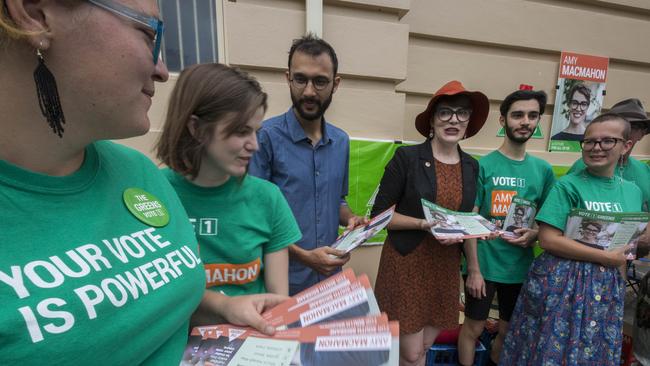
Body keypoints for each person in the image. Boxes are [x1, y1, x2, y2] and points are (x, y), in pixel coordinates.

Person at [0, 2, 283, 364]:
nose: (163, 70)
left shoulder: (138, 172)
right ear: (35, 13)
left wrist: (223, 306)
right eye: (150, 34)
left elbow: (166, 299)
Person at [500, 113, 644, 365]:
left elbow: (622, 246)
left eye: (607, 141)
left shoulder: (632, 192)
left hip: (605, 287)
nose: (596, 148)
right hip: (562, 284)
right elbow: (548, 239)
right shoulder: (567, 185)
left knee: (592, 351)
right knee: (549, 351)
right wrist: (605, 257)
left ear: (626, 145)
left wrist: (618, 287)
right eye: (589, 142)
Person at [156, 63, 302, 297]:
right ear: (197, 127)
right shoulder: (154, 193)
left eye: (256, 132)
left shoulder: (268, 198)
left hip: (253, 332)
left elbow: (278, 303)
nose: (254, 145)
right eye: (241, 131)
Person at [371, 80, 488, 366]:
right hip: (407, 262)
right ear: (432, 121)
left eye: (462, 113)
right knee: (412, 352)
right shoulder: (407, 158)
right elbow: (380, 216)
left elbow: (467, 221)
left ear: (469, 122)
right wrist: (426, 225)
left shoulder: (472, 166)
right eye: (445, 112)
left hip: (444, 267)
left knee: (423, 347)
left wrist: (473, 271)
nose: (454, 120)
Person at [249, 34, 366, 295]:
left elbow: (338, 201)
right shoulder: (263, 137)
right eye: (301, 79)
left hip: (328, 282)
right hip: (279, 286)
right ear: (287, 78)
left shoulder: (341, 141)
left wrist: (352, 219)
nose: (310, 91)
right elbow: (255, 220)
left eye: (320, 81)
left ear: (335, 84)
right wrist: (304, 256)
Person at [458, 89, 555, 366]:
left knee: (509, 330)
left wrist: (535, 235)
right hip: (485, 266)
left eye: (532, 115)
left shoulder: (543, 171)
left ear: (537, 122)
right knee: (473, 329)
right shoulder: (483, 166)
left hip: (520, 268)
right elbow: (469, 223)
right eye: (517, 115)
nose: (525, 121)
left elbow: (550, 223)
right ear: (503, 121)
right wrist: (473, 270)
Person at [568, 98, 650, 211]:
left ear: (642, 133)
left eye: (633, 127)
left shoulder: (645, 171)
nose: (625, 130)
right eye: (618, 125)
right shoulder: (583, 165)